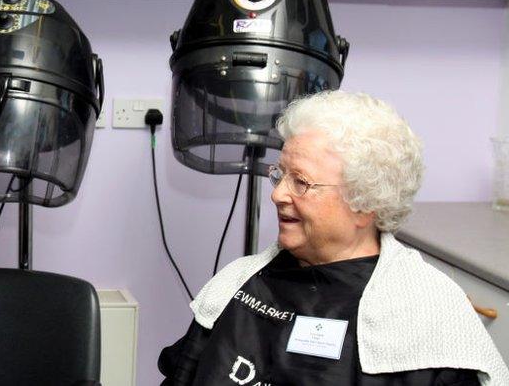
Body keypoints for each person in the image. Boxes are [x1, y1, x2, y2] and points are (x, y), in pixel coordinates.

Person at [158, 90, 509, 385]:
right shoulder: (237, 282)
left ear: (365, 203)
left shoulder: (430, 311)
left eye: (302, 182)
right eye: (279, 175)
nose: (278, 194)